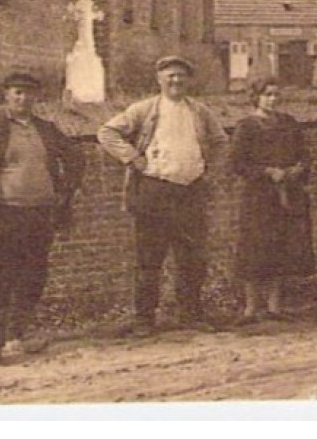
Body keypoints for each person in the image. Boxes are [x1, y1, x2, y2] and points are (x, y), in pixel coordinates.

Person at [0, 68, 86, 364]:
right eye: (17, 93)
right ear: (7, 96)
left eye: (28, 93)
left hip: (40, 215)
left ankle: (16, 336)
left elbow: (75, 158)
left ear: (35, 97)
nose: (23, 98)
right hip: (3, 215)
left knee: (32, 277)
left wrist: (64, 190)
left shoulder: (47, 129)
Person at [97, 55, 228, 336]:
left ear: (189, 80)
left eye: (181, 76)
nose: (176, 81)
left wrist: (209, 170)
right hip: (155, 191)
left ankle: (190, 314)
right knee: (149, 258)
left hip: (190, 191)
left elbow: (220, 141)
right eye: (170, 76)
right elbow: (107, 133)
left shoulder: (200, 111)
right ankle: (145, 319)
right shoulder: (144, 110)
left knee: (192, 257)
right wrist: (133, 157)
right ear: (159, 80)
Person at [227, 79, 314, 324]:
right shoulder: (246, 126)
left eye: (276, 95)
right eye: (267, 95)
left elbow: (305, 155)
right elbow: (237, 163)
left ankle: (275, 307)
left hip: (286, 195)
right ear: (256, 97)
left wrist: (298, 169)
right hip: (258, 197)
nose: (272, 100)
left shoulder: (289, 124)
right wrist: (266, 172)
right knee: (253, 249)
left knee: (280, 248)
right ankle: (251, 309)